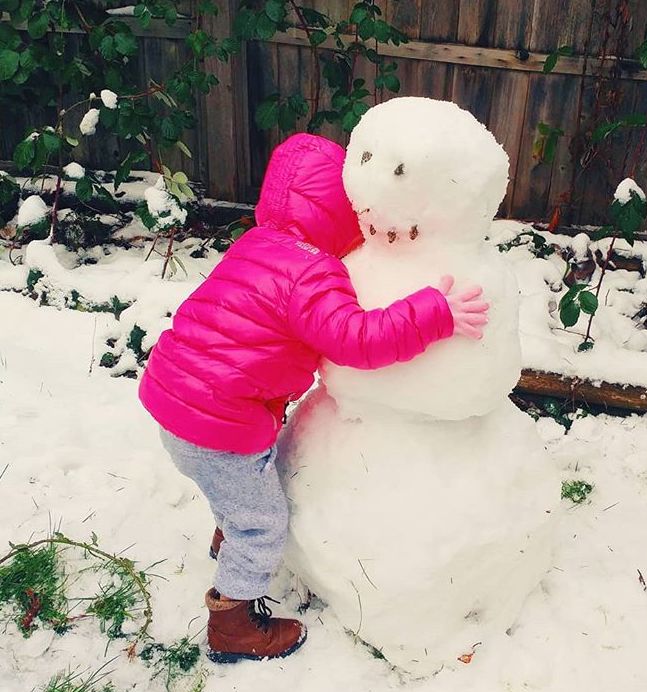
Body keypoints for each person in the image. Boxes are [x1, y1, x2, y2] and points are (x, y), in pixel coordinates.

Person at [139, 133, 489, 663]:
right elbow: (357, 339)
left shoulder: (254, 244)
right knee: (262, 523)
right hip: (218, 422)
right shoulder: (314, 273)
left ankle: (232, 536)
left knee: (240, 486)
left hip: (174, 397)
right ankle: (233, 624)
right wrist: (434, 312)